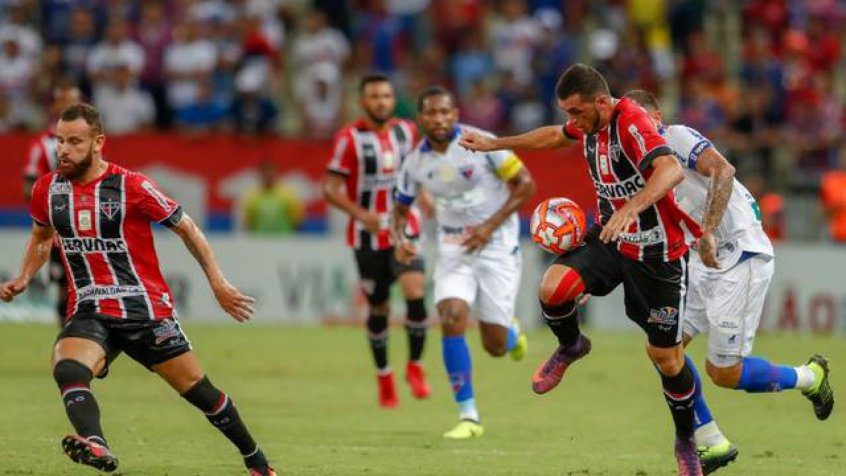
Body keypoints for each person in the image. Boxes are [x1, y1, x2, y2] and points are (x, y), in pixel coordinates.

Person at [0, 104, 277, 476]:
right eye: (60, 141)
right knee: (67, 367)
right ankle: (96, 444)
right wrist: (24, 276)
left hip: (144, 310)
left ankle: (257, 462)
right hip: (90, 305)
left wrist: (218, 282)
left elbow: (187, 228)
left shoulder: (131, 186)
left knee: (200, 392)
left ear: (98, 142)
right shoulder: (48, 190)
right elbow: (41, 236)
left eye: (74, 141)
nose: (63, 150)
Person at [459, 64, 702, 475]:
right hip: (611, 240)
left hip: (658, 254)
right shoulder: (588, 126)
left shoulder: (631, 122)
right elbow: (554, 135)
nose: (572, 121)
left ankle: (686, 441)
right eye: (568, 113)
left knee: (667, 358)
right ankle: (572, 346)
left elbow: (671, 170)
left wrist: (630, 207)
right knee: (553, 289)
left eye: (576, 112)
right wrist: (493, 143)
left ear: (602, 102)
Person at [624, 90, 833, 473]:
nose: (635, 124)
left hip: (738, 255)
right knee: (662, 351)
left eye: (641, 115)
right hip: (701, 263)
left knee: (723, 373)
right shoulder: (642, 167)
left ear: (656, 114)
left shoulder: (675, 136)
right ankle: (711, 441)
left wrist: (706, 231)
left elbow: (724, 170)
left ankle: (809, 377)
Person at [392, 86, 533, 439]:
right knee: (451, 317)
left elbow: (526, 186)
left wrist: (488, 226)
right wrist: (401, 240)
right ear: (421, 118)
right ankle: (469, 416)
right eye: (431, 113)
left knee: (495, 346)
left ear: (455, 114)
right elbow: (399, 209)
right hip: (454, 247)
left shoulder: (484, 144)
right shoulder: (414, 163)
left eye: (445, 112)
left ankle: (511, 333)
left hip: (497, 244)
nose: (438, 119)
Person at [323, 74, 430, 408]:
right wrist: (360, 214)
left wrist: (425, 197)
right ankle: (384, 375)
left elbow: (416, 171)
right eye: (374, 97)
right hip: (367, 236)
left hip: (404, 227)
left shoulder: (407, 131)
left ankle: (415, 366)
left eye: (386, 95)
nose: (382, 102)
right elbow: (330, 189)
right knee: (379, 305)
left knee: (415, 291)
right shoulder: (348, 139)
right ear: (362, 102)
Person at [22, 82, 81, 325]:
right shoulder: (43, 145)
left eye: (74, 101)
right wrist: (53, 214)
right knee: (65, 288)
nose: (69, 106)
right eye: (64, 100)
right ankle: (68, 346)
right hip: (60, 229)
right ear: (55, 105)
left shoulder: (92, 142)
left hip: (89, 226)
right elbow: (29, 188)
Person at [242, 160, 304, 235]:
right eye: (265, 172)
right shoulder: (252, 197)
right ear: (260, 174)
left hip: (284, 242)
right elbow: (247, 223)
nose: (268, 175)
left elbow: (297, 222)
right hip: (259, 242)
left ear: (276, 173)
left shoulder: (288, 195)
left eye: (271, 171)